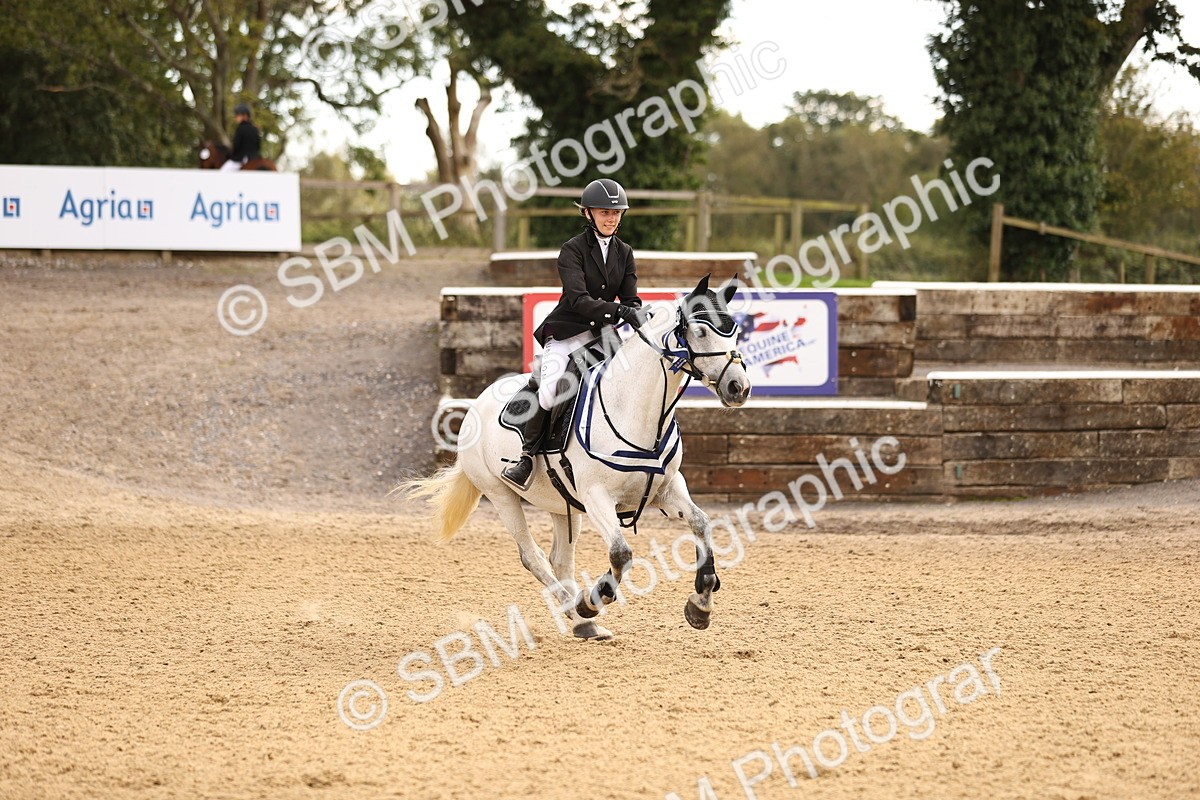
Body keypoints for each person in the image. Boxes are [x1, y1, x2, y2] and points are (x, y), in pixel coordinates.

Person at [503, 178, 644, 489]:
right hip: (568, 331)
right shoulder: (572, 249)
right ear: (588, 213)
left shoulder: (625, 252)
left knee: (628, 382)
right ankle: (526, 457)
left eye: (617, 212)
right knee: (551, 390)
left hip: (603, 336)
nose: (612, 218)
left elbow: (631, 298)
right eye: (605, 212)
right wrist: (620, 312)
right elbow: (579, 300)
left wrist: (635, 312)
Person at [220, 104, 262, 172]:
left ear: (245, 116)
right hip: (256, 158)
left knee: (223, 171)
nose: (236, 117)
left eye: (237, 115)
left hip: (242, 159)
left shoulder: (240, 128)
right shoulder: (255, 129)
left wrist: (230, 155)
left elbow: (237, 146)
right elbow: (258, 146)